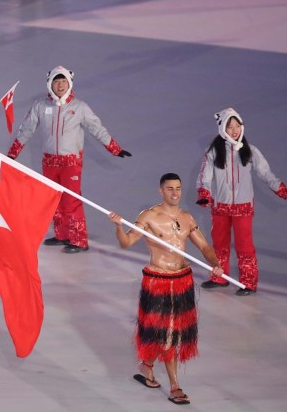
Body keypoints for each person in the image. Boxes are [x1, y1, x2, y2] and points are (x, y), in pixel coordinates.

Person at [108, 173, 224, 406]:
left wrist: (215, 264)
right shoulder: (149, 216)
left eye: (178, 188)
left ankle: (147, 366)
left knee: (167, 331)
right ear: (161, 191)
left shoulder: (187, 218)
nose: (175, 193)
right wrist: (119, 227)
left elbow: (203, 245)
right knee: (168, 333)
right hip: (157, 280)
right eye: (170, 188)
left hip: (182, 280)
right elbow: (126, 243)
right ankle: (175, 386)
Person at [7, 65, 131, 253]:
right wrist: (13, 153)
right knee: (54, 199)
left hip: (70, 162)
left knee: (71, 200)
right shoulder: (41, 106)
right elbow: (26, 129)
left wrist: (114, 148)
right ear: (50, 84)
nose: (60, 85)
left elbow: (96, 127)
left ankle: (79, 240)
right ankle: (62, 235)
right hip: (49, 161)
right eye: (56, 81)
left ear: (70, 83)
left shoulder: (79, 107)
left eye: (64, 81)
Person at [196, 107, 287, 296]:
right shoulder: (212, 152)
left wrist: (280, 188)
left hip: (243, 208)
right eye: (230, 127)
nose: (235, 130)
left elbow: (265, 172)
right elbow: (205, 176)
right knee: (219, 244)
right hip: (220, 207)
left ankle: (248, 282)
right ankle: (220, 277)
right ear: (222, 130)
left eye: (237, 125)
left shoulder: (250, 151)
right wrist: (204, 193)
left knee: (245, 246)